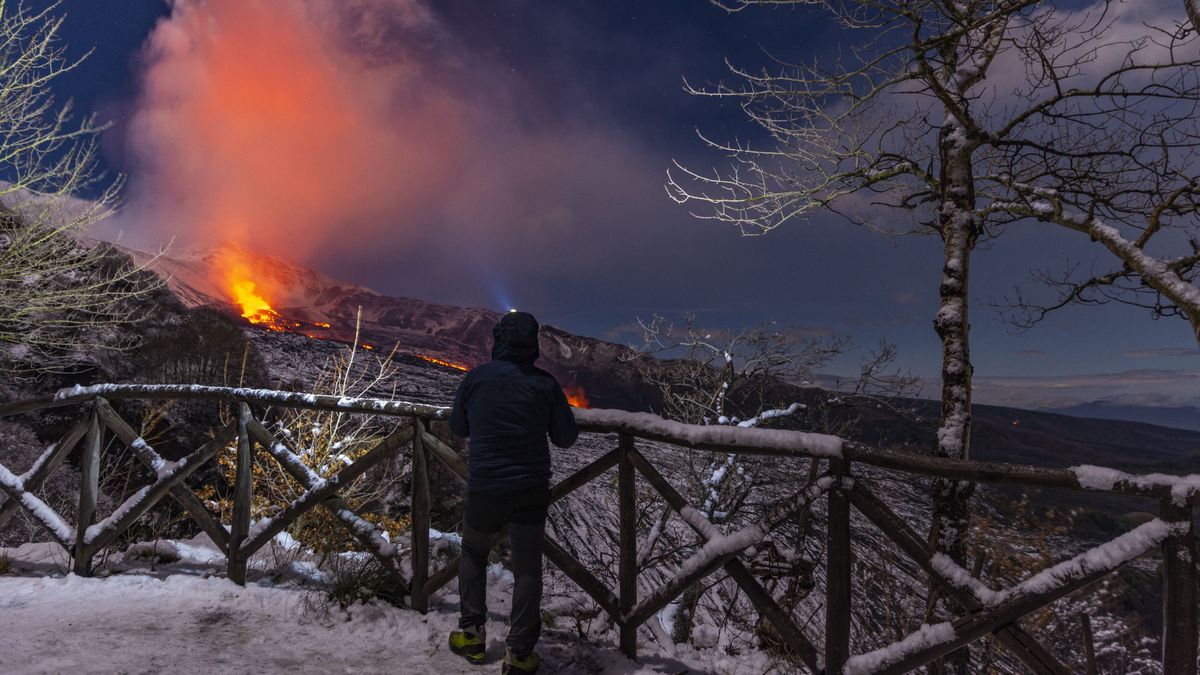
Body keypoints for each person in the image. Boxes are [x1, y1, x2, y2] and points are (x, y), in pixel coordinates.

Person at [447, 310, 579, 674]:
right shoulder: (545, 384)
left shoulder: (475, 378)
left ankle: (472, 635)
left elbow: (458, 426)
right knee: (527, 570)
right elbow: (566, 438)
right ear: (533, 344)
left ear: (499, 339)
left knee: (473, 553)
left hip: (486, 488)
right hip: (530, 490)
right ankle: (519, 655)